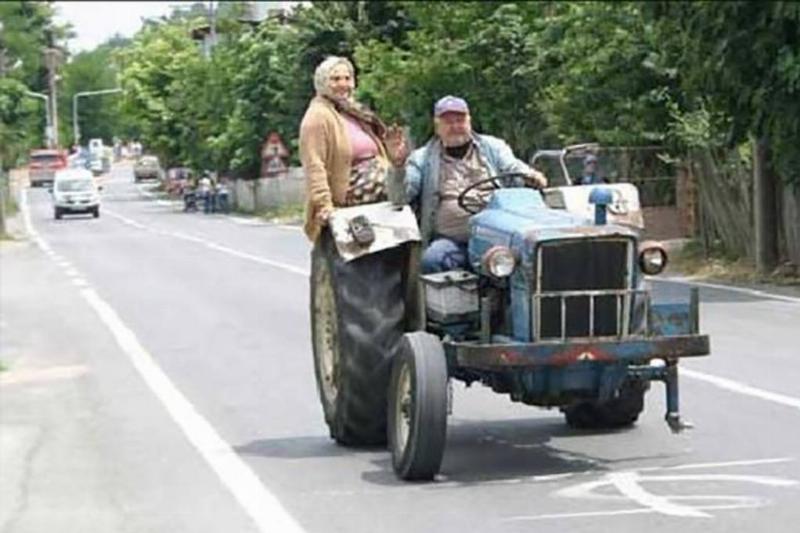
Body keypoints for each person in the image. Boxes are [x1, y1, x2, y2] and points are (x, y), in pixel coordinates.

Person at [404, 95, 547, 273]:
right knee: (433, 259)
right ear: (437, 127)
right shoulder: (421, 158)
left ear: (469, 121)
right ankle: (449, 301)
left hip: (497, 238)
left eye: (460, 120)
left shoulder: (493, 147)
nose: (456, 126)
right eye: (448, 122)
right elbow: (403, 196)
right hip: (454, 242)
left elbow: (513, 167)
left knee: (533, 253)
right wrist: (396, 167)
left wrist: (532, 176)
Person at [299, 56, 407, 243]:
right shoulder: (317, 116)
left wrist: (393, 155)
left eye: (347, 78)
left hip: (378, 175)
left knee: (413, 181)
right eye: (335, 79)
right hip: (350, 189)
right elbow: (314, 165)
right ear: (322, 83)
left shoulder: (355, 111)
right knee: (397, 186)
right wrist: (325, 205)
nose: (343, 84)